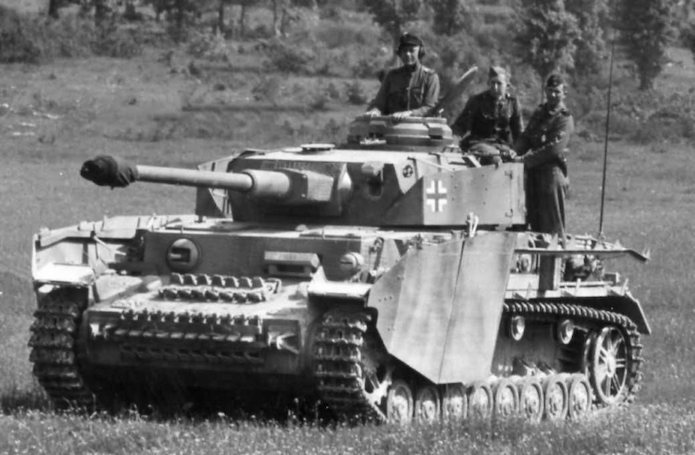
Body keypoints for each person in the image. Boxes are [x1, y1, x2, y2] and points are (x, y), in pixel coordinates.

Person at [514, 73, 574, 238]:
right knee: (534, 223)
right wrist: (514, 151)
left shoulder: (564, 118)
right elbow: (527, 137)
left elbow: (553, 149)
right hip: (533, 173)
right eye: (550, 91)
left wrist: (524, 160)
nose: (552, 95)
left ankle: (558, 250)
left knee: (553, 227)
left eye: (557, 91)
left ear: (564, 93)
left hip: (552, 173)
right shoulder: (540, 113)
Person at [451, 66, 523, 157]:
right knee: (494, 157)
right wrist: (453, 143)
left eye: (499, 84)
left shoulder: (512, 103)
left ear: (507, 85)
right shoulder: (477, 101)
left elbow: (519, 133)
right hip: (479, 143)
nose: (495, 87)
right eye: (492, 83)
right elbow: (460, 127)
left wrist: (517, 151)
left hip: (503, 146)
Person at [365, 33, 440, 119]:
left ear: (420, 52)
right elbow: (379, 104)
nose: (407, 54)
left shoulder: (430, 77)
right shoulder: (391, 76)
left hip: (420, 125)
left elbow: (430, 107)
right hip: (393, 123)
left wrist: (410, 113)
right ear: (400, 54)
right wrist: (375, 110)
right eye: (404, 51)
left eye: (411, 51)